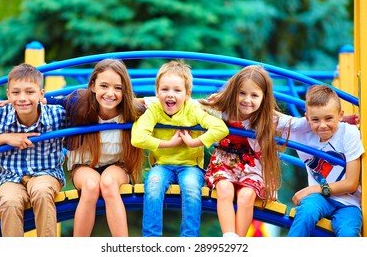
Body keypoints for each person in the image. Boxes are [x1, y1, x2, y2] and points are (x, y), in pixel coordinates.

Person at [46, 59, 146, 237]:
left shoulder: (132, 111)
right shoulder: (78, 102)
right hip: (85, 166)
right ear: (92, 86)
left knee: (108, 184)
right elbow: (44, 101)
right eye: (104, 86)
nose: (110, 93)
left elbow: (168, 105)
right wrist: (11, 103)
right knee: (91, 186)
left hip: (118, 165)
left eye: (118, 88)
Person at [131, 60, 229, 237]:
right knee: (153, 187)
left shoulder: (192, 109)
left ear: (187, 94)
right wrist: (169, 144)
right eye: (165, 89)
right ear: (157, 92)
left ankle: (189, 239)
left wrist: (193, 142)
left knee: (191, 189)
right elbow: (137, 137)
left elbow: (221, 128)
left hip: (190, 166)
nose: (170, 95)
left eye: (177, 90)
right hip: (162, 165)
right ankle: (151, 239)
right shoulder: (154, 109)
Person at [0, 63, 66, 237]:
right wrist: (5, 138)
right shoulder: (0, 115)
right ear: (8, 95)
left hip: (46, 173)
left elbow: (87, 111)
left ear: (42, 94)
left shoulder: (57, 114)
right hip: (9, 177)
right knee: (10, 202)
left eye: (30, 92)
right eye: (16, 92)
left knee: (42, 193)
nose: (22, 98)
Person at [198, 65, 282, 237]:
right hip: (225, 165)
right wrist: (145, 102)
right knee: (224, 189)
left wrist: (337, 122)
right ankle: (230, 238)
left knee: (246, 196)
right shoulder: (222, 110)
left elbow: (298, 124)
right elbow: (184, 103)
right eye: (242, 93)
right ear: (234, 91)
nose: (247, 100)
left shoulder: (267, 118)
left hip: (252, 168)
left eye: (254, 95)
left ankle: (239, 242)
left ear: (263, 98)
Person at [277, 85, 364, 237]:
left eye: (329, 118)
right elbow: (267, 116)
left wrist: (311, 189)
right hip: (320, 199)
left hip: (349, 203)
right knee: (306, 212)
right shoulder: (301, 134)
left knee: (348, 233)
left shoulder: (348, 133)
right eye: (315, 119)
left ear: (340, 115)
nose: (322, 125)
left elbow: (351, 184)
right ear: (307, 119)